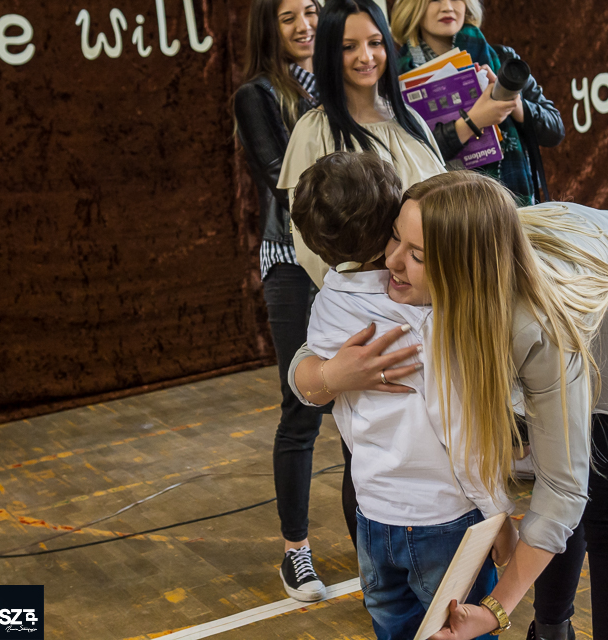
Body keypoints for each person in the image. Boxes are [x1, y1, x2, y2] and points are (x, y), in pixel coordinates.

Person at [289, 164, 608, 640]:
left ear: (459, 268)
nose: (388, 262)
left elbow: (562, 489)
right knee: (557, 482)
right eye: (393, 236)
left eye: (415, 254)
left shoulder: (535, 324)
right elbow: (313, 353)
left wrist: (495, 609)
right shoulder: (424, 265)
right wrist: (330, 374)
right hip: (572, 262)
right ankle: (552, 629)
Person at [289, 152, 516, 639]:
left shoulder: (327, 302)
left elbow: (309, 381)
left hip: (372, 515)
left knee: (393, 629)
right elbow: (459, 428)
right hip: (442, 518)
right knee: (463, 630)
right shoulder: (420, 314)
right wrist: (497, 512)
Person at [233, 0, 358, 603]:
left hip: (351, 262)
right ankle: (296, 552)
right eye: (289, 17)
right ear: (270, 28)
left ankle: (372, 541)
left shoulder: (345, 84)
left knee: (362, 405)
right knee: (303, 406)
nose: (305, 25)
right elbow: (285, 181)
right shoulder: (257, 95)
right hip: (292, 263)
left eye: (311, 11)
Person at [278, 0, 446, 288]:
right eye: (349, 47)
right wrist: (375, 300)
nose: (366, 56)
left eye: (375, 42)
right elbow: (311, 248)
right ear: (329, 52)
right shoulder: (314, 131)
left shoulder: (410, 119)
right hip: (370, 303)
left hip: (437, 291)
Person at [391, 0, 564, 204]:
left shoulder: (502, 58)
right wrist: (473, 121)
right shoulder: (395, 78)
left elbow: (555, 130)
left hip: (514, 206)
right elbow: (408, 157)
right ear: (413, 7)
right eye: (434, 0)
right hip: (446, 208)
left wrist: (512, 101)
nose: (448, 7)